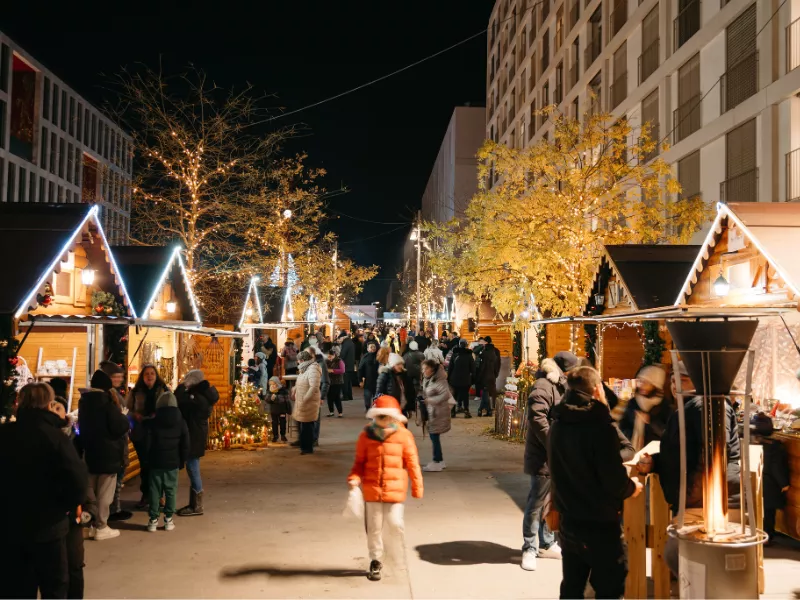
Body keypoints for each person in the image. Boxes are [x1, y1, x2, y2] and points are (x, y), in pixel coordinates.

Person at [637, 361, 741, 575]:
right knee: (688, 564)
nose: (675, 385)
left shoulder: (705, 406)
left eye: (682, 380)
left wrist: (692, 500)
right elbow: (684, 452)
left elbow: (712, 456)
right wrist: (655, 462)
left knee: (692, 564)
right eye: (673, 380)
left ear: (697, 381)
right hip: (699, 500)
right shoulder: (690, 407)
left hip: (706, 504)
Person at [549, 366, 643, 598]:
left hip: (569, 522)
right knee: (609, 588)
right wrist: (632, 488)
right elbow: (613, 479)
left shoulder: (557, 424)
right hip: (599, 524)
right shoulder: (600, 427)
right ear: (596, 389)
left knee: (571, 586)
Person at [0, 383, 88, 599]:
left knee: (16, 587)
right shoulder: (56, 438)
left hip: (11, 527)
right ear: (48, 404)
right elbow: (77, 480)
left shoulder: (5, 435)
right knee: (54, 586)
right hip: (49, 527)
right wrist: (67, 507)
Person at [348, 395, 424, 582]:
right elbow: (359, 462)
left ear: (394, 417)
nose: (382, 420)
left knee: (395, 523)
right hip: (372, 489)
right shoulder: (366, 435)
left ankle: (394, 552)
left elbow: (412, 463)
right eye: (379, 416)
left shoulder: (404, 436)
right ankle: (376, 559)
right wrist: (354, 478)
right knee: (374, 528)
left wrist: (417, 486)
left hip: (395, 488)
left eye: (386, 416)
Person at [521, 351, 577, 571]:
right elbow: (537, 419)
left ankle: (546, 543)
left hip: (559, 455)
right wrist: (555, 444)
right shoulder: (544, 385)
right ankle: (529, 547)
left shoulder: (562, 384)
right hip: (544, 455)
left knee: (551, 502)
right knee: (536, 502)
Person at [78, 369, 130, 541]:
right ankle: (102, 525)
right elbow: (118, 428)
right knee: (105, 493)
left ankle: (90, 525)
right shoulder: (107, 404)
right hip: (108, 455)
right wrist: (123, 417)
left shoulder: (84, 403)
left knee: (91, 490)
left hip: (90, 452)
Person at [175, 370, 219, 517]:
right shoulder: (202, 395)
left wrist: (183, 386)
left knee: (193, 469)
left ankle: (197, 506)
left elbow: (178, 399)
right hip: (196, 435)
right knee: (193, 468)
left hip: (194, 436)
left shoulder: (198, 398)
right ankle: (194, 503)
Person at [143, 392, 190, 532]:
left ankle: (153, 520)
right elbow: (185, 443)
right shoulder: (181, 421)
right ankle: (169, 519)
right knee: (171, 491)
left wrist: (146, 460)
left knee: (154, 491)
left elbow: (147, 443)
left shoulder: (153, 421)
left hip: (155, 462)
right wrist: (182, 460)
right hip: (172, 462)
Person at [128, 365, 170, 509]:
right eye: (147, 374)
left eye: (152, 373)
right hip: (141, 433)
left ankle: (159, 496)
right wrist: (135, 415)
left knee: (158, 466)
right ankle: (146, 495)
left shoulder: (163, 390)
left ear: (156, 375)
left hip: (158, 433)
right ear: (142, 376)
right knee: (145, 466)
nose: (150, 376)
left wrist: (159, 415)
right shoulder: (136, 392)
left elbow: (169, 408)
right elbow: (128, 409)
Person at [98, 360, 133, 523]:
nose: (119, 379)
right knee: (112, 481)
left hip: (115, 442)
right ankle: (112, 510)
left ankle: (114, 508)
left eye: (120, 376)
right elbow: (117, 420)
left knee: (114, 480)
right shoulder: (109, 397)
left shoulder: (112, 394)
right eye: (116, 376)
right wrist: (125, 420)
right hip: (115, 442)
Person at [752, 413, 790, 543]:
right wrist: (784, 484)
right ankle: (767, 535)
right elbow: (776, 468)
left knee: (757, 509)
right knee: (768, 512)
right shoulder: (775, 447)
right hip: (770, 484)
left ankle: (756, 532)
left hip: (756, 480)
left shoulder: (752, 442)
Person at [619, 365, 672, 450]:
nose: (641, 385)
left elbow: (668, 433)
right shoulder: (633, 402)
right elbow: (623, 426)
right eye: (640, 381)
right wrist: (631, 437)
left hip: (655, 453)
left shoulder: (664, 405)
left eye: (646, 382)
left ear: (655, 385)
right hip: (632, 451)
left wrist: (650, 421)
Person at [421, 358, 455, 472]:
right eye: (423, 368)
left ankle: (437, 461)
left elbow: (444, 395)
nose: (424, 371)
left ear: (432, 369)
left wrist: (429, 400)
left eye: (426, 368)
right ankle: (439, 460)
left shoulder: (439, 380)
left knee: (434, 436)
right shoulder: (429, 379)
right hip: (433, 411)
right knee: (434, 436)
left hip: (438, 412)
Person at [293, 350, 322, 455]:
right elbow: (301, 381)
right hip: (302, 401)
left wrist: (305, 398)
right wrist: (295, 389)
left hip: (309, 402)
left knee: (307, 426)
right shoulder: (304, 368)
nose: (297, 362)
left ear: (302, 360)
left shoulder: (313, 369)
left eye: (298, 360)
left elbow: (314, 386)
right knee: (302, 424)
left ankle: (307, 448)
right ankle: (303, 444)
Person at [447, 338, 475, 418]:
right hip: (465, 379)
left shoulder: (454, 354)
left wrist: (449, 378)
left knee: (454, 396)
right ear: (466, 345)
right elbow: (473, 368)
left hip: (454, 379)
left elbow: (450, 367)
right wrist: (473, 378)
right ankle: (466, 411)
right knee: (465, 396)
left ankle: (452, 412)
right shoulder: (469, 355)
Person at [476, 336, 501, 417]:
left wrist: (479, 375)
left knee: (485, 391)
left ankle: (483, 409)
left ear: (486, 342)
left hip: (484, 374)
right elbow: (498, 363)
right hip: (492, 374)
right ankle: (490, 408)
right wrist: (496, 373)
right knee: (490, 391)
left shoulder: (484, 351)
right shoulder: (496, 351)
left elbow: (475, 352)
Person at [265, 376, 291, 443]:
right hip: (274, 410)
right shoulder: (270, 391)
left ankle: (283, 435)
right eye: (271, 384)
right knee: (274, 423)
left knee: (283, 422)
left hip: (282, 409)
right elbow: (266, 399)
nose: (272, 386)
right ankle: (275, 436)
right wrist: (271, 398)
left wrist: (288, 409)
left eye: (274, 384)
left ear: (277, 383)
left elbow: (286, 399)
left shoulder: (283, 390)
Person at [359, 341, 380, 411]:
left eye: (374, 347)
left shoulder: (379, 357)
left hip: (377, 381)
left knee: (377, 397)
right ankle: (367, 408)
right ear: (368, 349)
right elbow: (360, 369)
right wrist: (360, 380)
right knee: (367, 397)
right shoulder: (365, 357)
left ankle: (375, 410)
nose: (373, 348)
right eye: (371, 347)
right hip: (368, 381)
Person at [326, 346, 346, 418]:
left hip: (338, 382)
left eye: (331, 356)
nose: (329, 357)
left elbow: (342, 370)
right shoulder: (326, 361)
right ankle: (331, 411)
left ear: (334, 355)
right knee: (329, 397)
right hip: (329, 381)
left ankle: (340, 412)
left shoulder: (339, 361)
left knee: (336, 397)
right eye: (328, 356)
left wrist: (332, 371)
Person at [339, 331, 355, 401]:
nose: (339, 341)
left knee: (344, 382)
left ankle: (345, 396)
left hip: (346, 365)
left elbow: (343, 355)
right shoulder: (350, 342)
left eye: (339, 339)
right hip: (350, 365)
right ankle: (349, 396)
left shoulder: (346, 344)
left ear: (342, 338)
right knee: (348, 382)